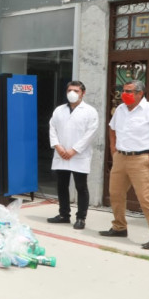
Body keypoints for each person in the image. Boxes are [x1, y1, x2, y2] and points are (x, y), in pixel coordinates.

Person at [102, 80, 149, 250]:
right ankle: (119, 227)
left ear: (140, 93)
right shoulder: (120, 110)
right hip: (121, 157)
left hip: (142, 159)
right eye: (123, 90)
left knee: (146, 198)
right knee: (115, 193)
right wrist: (113, 147)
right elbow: (111, 128)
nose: (124, 94)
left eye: (129, 91)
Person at [47, 81, 99, 230]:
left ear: (83, 92)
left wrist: (73, 150)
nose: (72, 93)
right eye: (70, 90)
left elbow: (91, 134)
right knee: (62, 185)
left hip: (78, 155)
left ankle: (81, 218)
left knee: (81, 186)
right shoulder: (59, 110)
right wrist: (58, 146)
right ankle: (64, 214)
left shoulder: (90, 111)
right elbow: (52, 129)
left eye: (76, 90)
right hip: (61, 153)